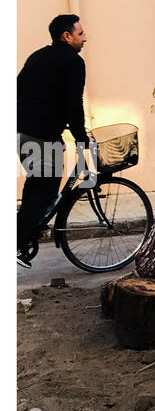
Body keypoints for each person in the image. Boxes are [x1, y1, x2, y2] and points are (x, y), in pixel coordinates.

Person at [17, 14, 89, 265]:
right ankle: (18, 244)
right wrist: (81, 137)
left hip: (24, 134)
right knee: (41, 192)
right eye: (80, 34)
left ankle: (24, 235)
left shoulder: (37, 57)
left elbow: (18, 90)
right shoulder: (73, 62)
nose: (85, 38)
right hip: (43, 138)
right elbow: (73, 104)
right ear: (66, 36)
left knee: (36, 189)